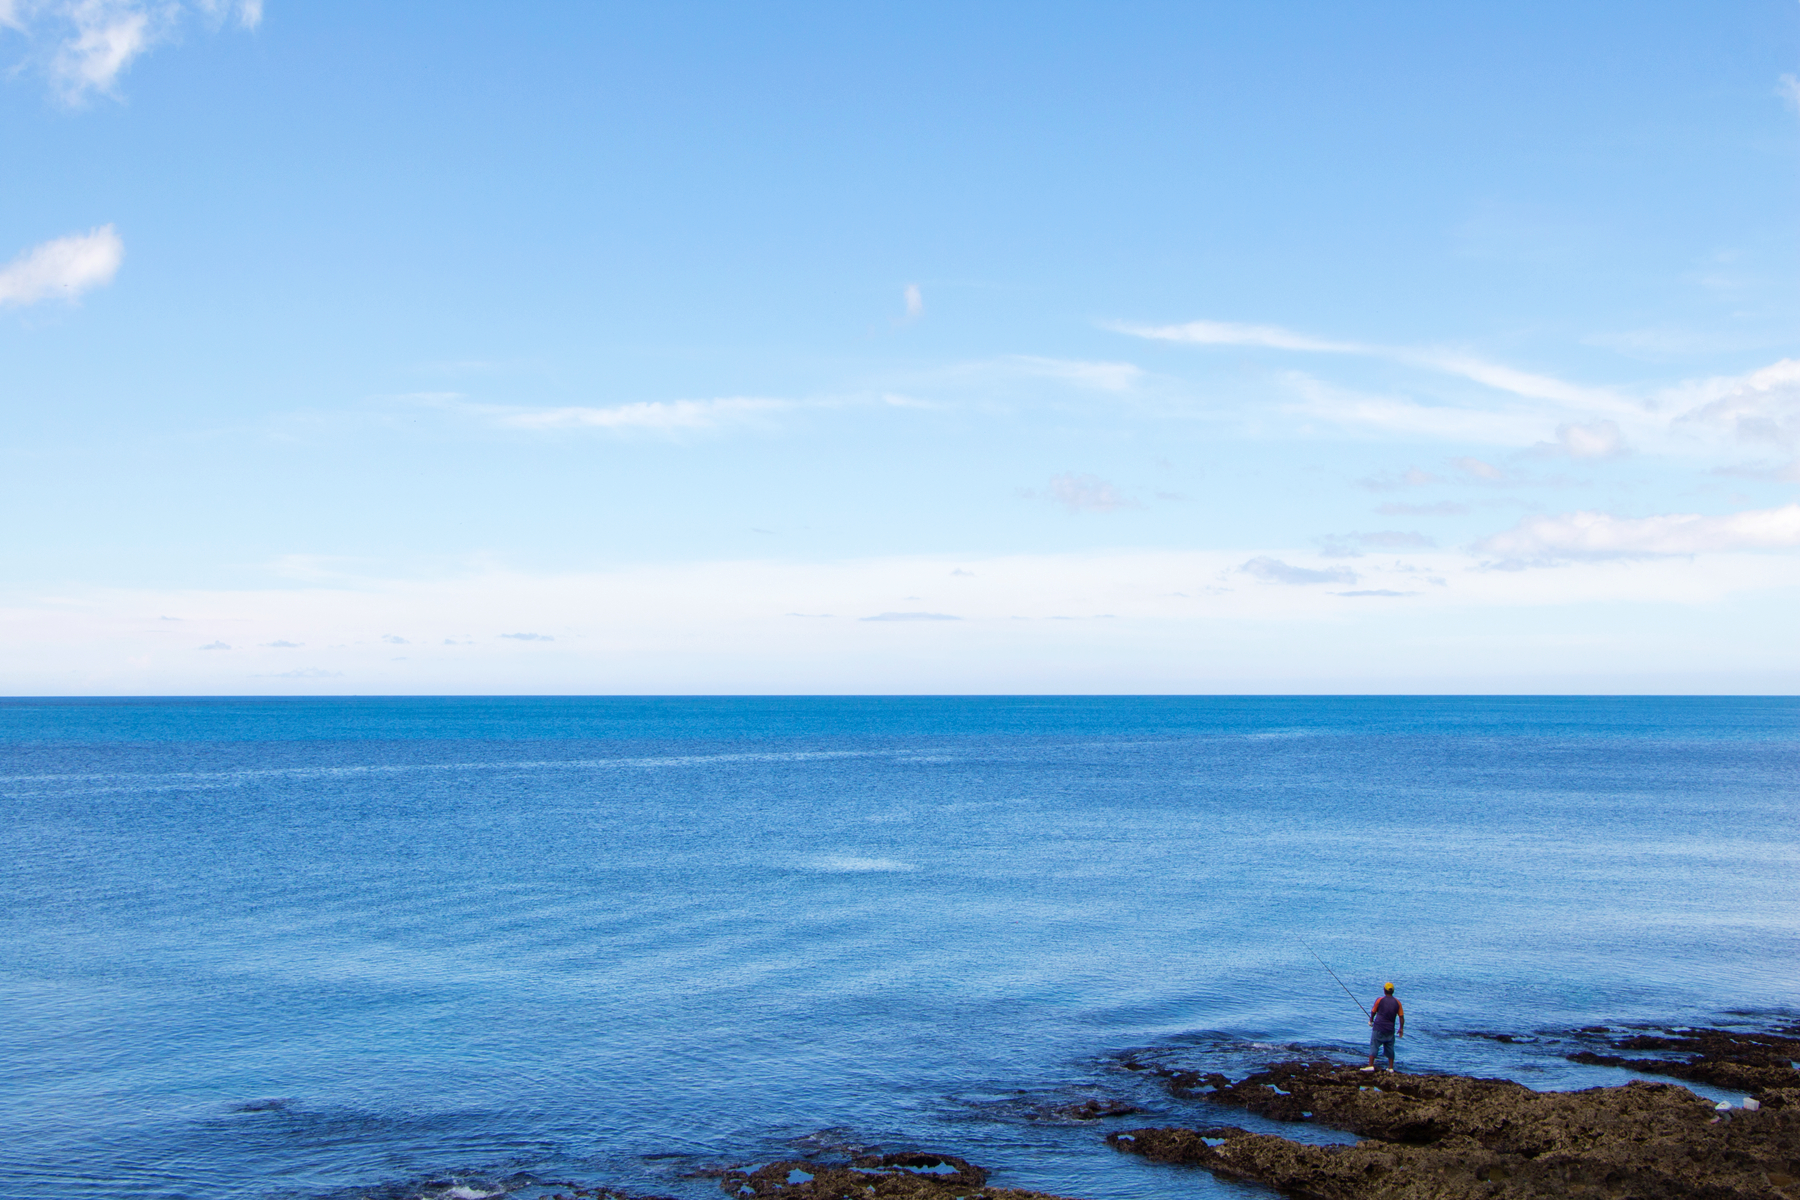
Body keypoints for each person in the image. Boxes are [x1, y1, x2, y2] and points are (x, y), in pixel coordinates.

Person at [1367, 982, 1404, 1069]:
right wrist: (1401, 1028)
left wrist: (1371, 1020)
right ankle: (1390, 1068)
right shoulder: (1398, 1003)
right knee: (1390, 1049)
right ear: (1393, 991)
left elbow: (1373, 1011)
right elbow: (1401, 1017)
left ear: (1384, 990)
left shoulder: (1379, 1000)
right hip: (1390, 1030)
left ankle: (1370, 1065)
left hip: (1378, 1028)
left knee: (1374, 1046)